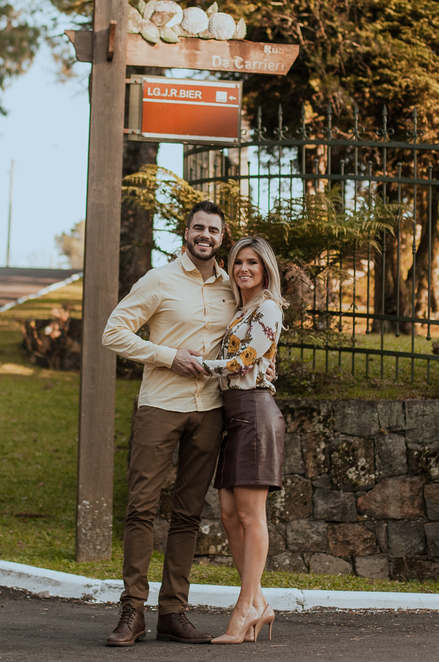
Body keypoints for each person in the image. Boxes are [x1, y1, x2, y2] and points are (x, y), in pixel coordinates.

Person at [100, 200, 235, 647]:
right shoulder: (159, 280)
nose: (205, 236)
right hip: (160, 405)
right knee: (140, 508)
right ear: (186, 232)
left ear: (222, 237)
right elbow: (113, 331)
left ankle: (174, 613)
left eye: (213, 231)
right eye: (199, 228)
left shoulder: (231, 287)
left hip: (210, 410)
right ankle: (132, 612)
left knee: (188, 515)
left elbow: (249, 338)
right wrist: (168, 356)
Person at [195, 236, 286, 644]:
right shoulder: (242, 309)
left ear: (265, 268)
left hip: (254, 411)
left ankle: (244, 609)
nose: (243, 268)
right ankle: (260, 603)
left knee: (252, 516)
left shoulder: (268, 307)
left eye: (252, 262)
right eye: (237, 263)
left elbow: (243, 361)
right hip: (235, 413)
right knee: (230, 513)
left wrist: (198, 365)